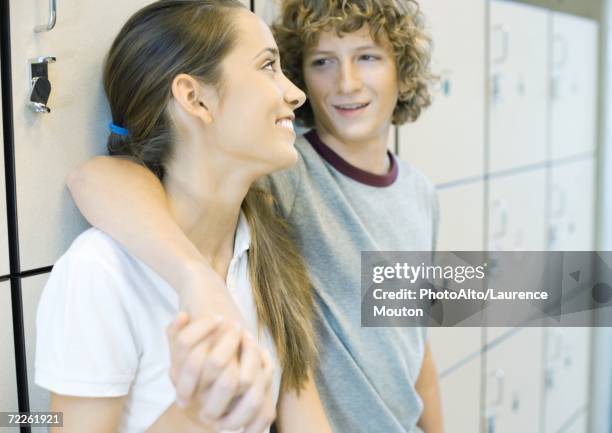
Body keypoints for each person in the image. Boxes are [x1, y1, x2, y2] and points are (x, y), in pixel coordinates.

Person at [67, 0, 444, 432]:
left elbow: (417, 334)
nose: (347, 82)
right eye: (321, 62)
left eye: (368, 57)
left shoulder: (421, 194)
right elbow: (95, 178)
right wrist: (197, 279)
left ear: (404, 69)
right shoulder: (285, 167)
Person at [34, 1, 334, 432]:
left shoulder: (263, 250)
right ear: (195, 99)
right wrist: (196, 416)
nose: (296, 92)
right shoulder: (99, 272)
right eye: (268, 66)